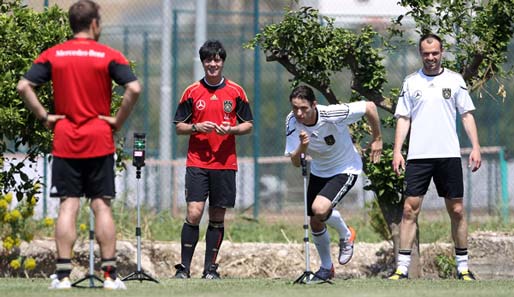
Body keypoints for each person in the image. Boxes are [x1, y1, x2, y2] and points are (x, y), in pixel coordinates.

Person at [17, 0, 140, 290]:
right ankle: (110, 276)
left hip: (66, 139)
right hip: (99, 137)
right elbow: (134, 87)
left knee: (68, 205)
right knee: (102, 205)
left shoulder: (54, 54)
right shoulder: (108, 55)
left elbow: (24, 85)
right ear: (95, 23)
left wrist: (45, 116)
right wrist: (118, 119)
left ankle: (62, 276)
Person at [388, 33, 481, 281]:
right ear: (421, 54)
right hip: (418, 157)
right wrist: (398, 151)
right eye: (426, 54)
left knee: (457, 210)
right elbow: (403, 118)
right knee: (409, 210)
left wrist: (475, 146)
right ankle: (402, 269)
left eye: (435, 53)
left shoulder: (455, 80)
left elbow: (466, 115)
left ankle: (462, 268)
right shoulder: (410, 82)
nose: (431, 57)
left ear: (441, 53)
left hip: (448, 155)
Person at [173, 40, 253, 279]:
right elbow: (179, 126)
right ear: (203, 63)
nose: (213, 64)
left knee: (217, 216)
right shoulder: (192, 91)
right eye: (208, 60)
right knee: (195, 212)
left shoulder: (236, 91)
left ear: (222, 62)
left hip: (225, 163)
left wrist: (231, 130)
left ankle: (210, 269)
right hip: (197, 162)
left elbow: (248, 124)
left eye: (217, 59)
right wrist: (196, 126)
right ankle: (184, 268)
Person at [285, 85, 383, 282]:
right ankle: (326, 268)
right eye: (295, 108)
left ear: (314, 104)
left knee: (319, 210)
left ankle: (346, 234)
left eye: (304, 108)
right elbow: (295, 162)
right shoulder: (292, 121)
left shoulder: (332, 113)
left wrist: (377, 139)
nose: (299, 113)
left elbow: (370, 107)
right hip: (319, 170)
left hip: (345, 168)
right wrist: (302, 147)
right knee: (315, 220)